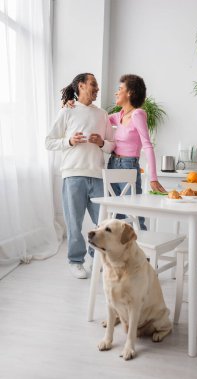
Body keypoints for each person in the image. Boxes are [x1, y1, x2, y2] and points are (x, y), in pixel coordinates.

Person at [45, 73, 115, 279]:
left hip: (97, 176)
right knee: (74, 223)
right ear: (81, 86)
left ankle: (97, 258)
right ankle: (76, 262)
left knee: (102, 223)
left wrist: (101, 142)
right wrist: (69, 141)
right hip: (73, 175)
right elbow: (48, 142)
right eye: (93, 84)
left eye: (97, 85)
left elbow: (112, 146)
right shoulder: (67, 112)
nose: (97, 88)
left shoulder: (102, 114)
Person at [107, 74, 166, 230]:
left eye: (120, 89)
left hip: (128, 166)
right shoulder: (119, 115)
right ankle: (119, 254)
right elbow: (97, 118)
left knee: (134, 215)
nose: (116, 92)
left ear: (130, 93)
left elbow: (147, 145)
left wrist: (153, 177)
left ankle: (143, 253)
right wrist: (74, 105)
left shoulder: (137, 114)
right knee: (114, 217)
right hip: (112, 164)